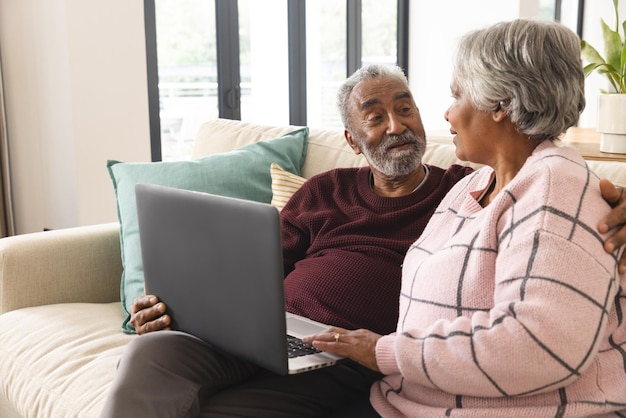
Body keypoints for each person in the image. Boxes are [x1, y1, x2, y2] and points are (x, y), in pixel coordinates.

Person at [101, 60, 626, 417]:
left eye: (406, 108)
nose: (397, 125)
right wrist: (179, 307)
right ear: (353, 139)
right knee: (150, 358)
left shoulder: (464, 193)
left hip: (347, 355)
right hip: (263, 332)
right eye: (376, 118)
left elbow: (559, 204)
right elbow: (251, 270)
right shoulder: (325, 189)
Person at [305, 20, 626, 417]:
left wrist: (383, 351)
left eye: (457, 95)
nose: (447, 114)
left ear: (501, 103)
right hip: (407, 399)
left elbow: (535, 345)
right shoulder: (473, 185)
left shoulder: (554, 189)